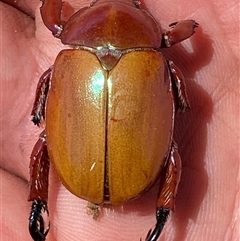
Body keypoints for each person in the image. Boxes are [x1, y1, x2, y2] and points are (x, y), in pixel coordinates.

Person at [0, 0, 239, 240]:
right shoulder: (162, 66)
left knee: (43, 142)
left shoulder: (65, 62)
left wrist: (38, 111)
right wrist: (183, 99)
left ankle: (38, 203)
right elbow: (181, 35)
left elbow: (46, 78)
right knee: (171, 153)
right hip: (132, 172)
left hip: (86, 172)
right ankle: (162, 212)